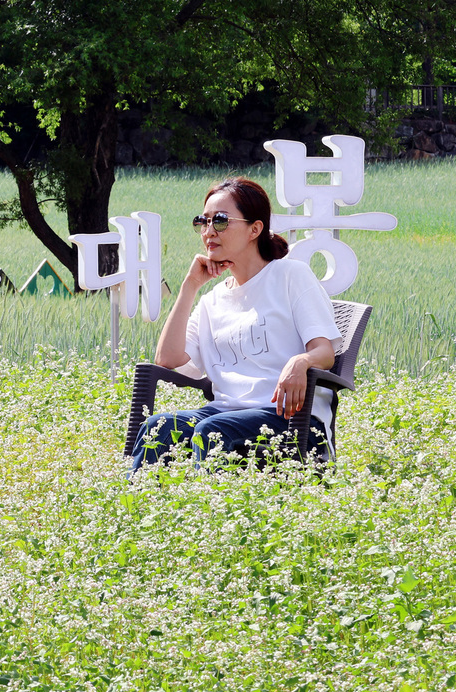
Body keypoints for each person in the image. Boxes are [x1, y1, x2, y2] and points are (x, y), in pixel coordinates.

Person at [131, 177, 341, 471]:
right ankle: (139, 508)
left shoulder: (290, 275)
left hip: (287, 418)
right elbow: (167, 359)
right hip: (222, 413)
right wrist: (190, 286)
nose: (208, 232)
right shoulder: (213, 300)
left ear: (255, 229)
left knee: (211, 432)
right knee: (161, 425)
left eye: (220, 221)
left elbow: (324, 351)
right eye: (202, 222)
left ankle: (208, 514)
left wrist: (300, 362)